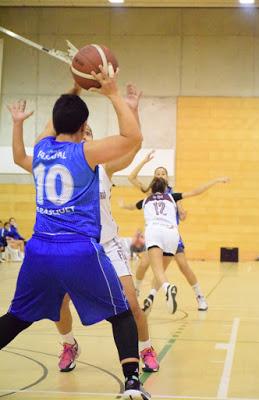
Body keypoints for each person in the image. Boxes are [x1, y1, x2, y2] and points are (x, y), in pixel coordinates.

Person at [1, 67, 151, 400]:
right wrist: (111, 93)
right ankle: (131, 383)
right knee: (122, 315)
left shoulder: (40, 151)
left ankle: (69, 345)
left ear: (55, 123)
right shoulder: (86, 153)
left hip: (39, 251)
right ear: (85, 127)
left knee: (15, 318)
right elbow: (134, 139)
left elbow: (24, 149)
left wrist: (74, 87)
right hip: (79, 251)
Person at [124, 151, 230, 312]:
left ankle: (199, 296)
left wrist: (182, 212)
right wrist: (144, 162)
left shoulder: (173, 195)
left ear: (167, 177)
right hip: (158, 234)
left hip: (170, 234)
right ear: (154, 178)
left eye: (163, 173)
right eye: (157, 173)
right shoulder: (150, 192)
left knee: (183, 266)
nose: (160, 175)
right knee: (145, 263)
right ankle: (140, 293)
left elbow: (184, 213)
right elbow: (131, 178)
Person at [135, 176, 181, 315]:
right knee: (160, 271)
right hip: (173, 234)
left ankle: (167, 288)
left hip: (155, 231)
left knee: (157, 271)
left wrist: (123, 205)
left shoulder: (146, 200)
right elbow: (195, 192)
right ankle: (151, 296)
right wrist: (215, 181)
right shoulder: (172, 197)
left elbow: (131, 205)